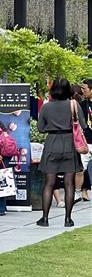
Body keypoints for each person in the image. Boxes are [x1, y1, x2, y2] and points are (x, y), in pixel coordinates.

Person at [36, 78, 88, 228]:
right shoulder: (74, 105)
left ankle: (45, 218)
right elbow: (83, 125)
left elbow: (40, 128)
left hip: (52, 143)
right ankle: (68, 219)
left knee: (49, 183)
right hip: (70, 144)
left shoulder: (46, 107)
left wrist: (52, 127)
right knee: (69, 183)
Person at [72, 83, 91, 202]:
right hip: (86, 141)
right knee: (80, 169)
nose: (82, 91)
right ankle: (77, 193)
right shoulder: (82, 105)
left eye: (85, 89)